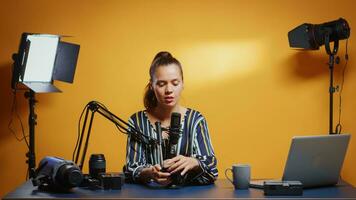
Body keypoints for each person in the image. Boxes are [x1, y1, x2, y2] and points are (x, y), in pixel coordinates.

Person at [124, 51, 218, 186]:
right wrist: (149, 173)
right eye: (161, 84)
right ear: (152, 85)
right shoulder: (137, 122)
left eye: (175, 83)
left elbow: (212, 171)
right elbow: (132, 168)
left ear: (182, 83)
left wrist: (195, 162)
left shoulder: (196, 120)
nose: (169, 90)